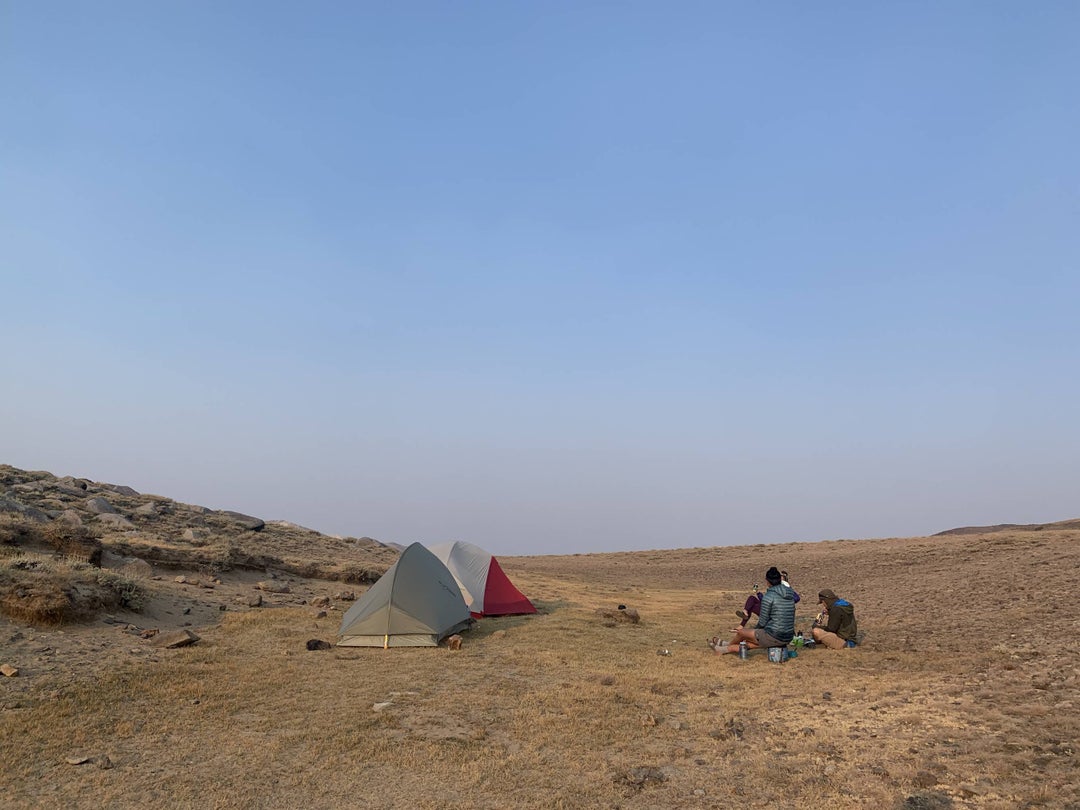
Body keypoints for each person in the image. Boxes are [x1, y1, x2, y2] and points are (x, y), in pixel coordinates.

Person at [718, 567, 796, 654]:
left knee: (742, 633)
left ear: (767, 581)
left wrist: (754, 632)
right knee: (749, 643)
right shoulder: (790, 594)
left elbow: (762, 622)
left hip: (775, 635)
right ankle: (726, 648)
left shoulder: (769, 596)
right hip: (788, 636)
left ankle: (726, 646)